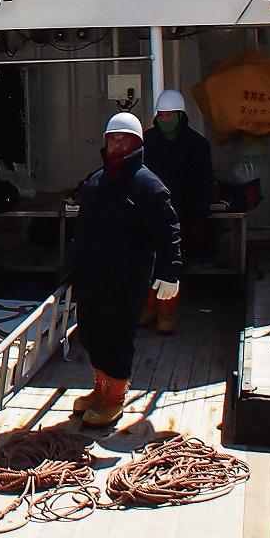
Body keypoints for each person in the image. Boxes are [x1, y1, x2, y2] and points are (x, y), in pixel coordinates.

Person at [68, 111, 182, 429]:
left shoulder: (148, 186)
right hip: (92, 277)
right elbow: (82, 232)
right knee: (91, 333)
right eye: (113, 138)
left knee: (116, 337)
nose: (118, 144)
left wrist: (170, 272)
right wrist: (71, 270)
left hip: (127, 279)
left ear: (136, 143)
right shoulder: (94, 182)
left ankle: (114, 399)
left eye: (124, 139)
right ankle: (99, 391)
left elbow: (168, 231)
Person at [141, 90, 215, 333]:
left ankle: (167, 313)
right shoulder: (147, 142)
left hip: (182, 214)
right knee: (146, 262)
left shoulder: (197, 145)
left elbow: (204, 184)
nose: (164, 120)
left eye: (169, 115)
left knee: (171, 264)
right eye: (160, 116)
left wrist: (200, 219)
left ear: (180, 115)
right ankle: (149, 308)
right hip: (150, 213)